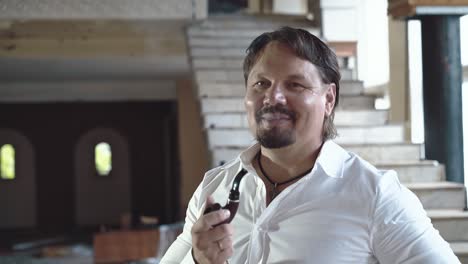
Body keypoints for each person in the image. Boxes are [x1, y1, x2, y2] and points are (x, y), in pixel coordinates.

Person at [160, 27, 459, 263]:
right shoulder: (215, 187)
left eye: (295, 85)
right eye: (261, 84)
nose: (273, 98)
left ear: (328, 99)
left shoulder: (376, 196)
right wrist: (198, 260)